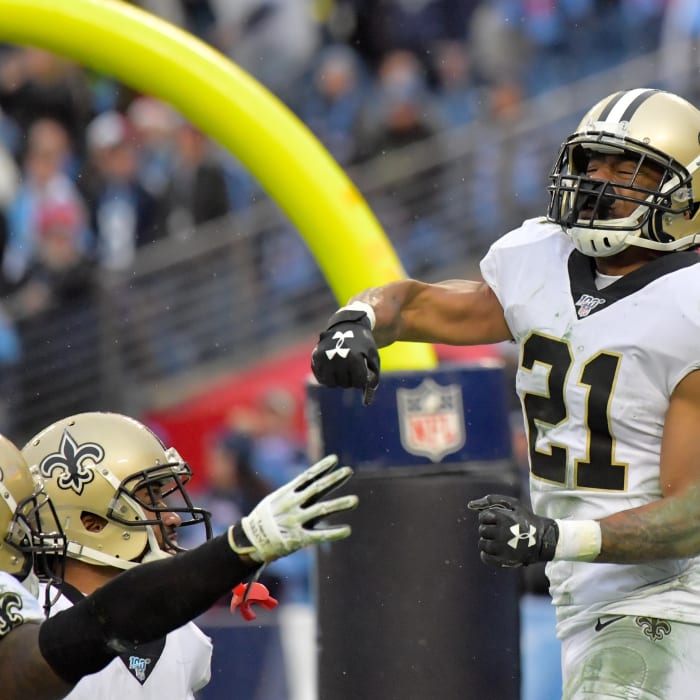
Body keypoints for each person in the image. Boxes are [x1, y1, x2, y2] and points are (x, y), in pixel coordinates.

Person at [310, 87, 700, 700]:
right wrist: (357, 320)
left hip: (672, 598)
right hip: (587, 597)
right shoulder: (538, 258)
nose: (598, 181)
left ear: (684, 193)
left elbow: (691, 518)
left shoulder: (689, 306)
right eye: (592, 162)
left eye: (627, 168)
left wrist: (556, 537)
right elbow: (417, 305)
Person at [1, 413, 358, 699]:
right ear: (90, 521)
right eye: (150, 497)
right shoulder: (31, 617)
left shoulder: (185, 636)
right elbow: (105, 618)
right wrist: (239, 548)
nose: (171, 517)